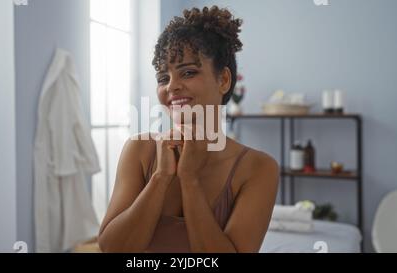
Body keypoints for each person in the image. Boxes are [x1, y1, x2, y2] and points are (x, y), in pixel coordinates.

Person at [97, 6, 279, 253]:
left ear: (223, 80)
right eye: (163, 78)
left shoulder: (258, 168)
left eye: (188, 72)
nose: (172, 87)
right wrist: (160, 178)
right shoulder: (139, 150)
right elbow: (111, 249)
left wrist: (189, 180)